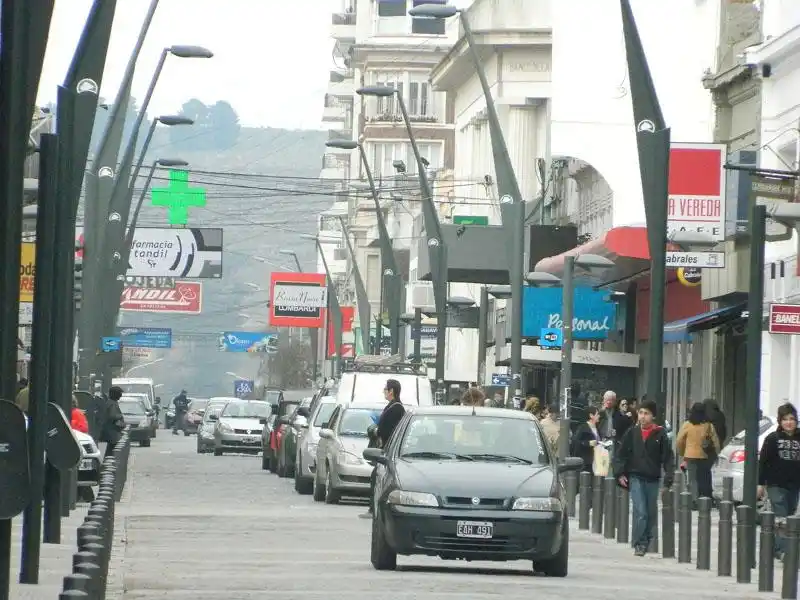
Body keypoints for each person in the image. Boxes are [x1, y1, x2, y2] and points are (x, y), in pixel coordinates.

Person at [613, 399, 674, 557]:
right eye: (640, 413)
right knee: (641, 511)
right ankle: (640, 543)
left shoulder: (660, 434)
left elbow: (668, 458)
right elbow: (620, 454)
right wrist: (619, 473)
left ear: (653, 416)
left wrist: (668, 478)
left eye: (646, 413)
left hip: (653, 478)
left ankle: (647, 540)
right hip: (636, 477)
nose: (642, 416)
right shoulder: (632, 433)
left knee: (650, 512)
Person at [758, 402, 800, 559]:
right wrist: (761, 484)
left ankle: (782, 547)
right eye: (785, 419)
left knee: (790, 516)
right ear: (780, 421)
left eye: (792, 419)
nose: (789, 422)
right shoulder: (772, 438)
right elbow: (763, 462)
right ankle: (781, 550)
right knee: (781, 515)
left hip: (794, 484)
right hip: (776, 484)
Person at [361, 379, 405, 519]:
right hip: (385, 449)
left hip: (389, 451)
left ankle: (374, 510)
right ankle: (373, 509)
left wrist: (376, 431)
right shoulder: (391, 406)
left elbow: (387, 430)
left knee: (379, 477)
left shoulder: (397, 408)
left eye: (386, 389)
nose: (384, 391)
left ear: (391, 391)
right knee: (376, 477)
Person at [675, 402, 720, 501]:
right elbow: (715, 441)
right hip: (704, 455)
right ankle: (704, 499)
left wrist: (682, 452)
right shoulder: (708, 425)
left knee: (692, 479)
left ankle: (694, 500)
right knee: (704, 478)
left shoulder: (687, 424)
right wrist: (717, 454)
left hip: (690, 455)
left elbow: (679, 440)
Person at [571, 406, 601, 473]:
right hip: (586, 463)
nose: (599, 416)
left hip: (597, 460)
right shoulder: (582, 428)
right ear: (591, 415)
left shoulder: (597, 428)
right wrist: (588, 443)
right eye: (597, 414)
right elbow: (575, 442)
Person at [101, 387, 125, 459]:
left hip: (109, 432)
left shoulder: (110, 402)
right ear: (115, 394)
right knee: (111, 452)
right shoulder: (112, 403)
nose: (121, 395)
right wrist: (120, 416)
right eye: (120, 393)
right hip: (111, 432)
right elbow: (112, 416)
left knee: (109, 450)